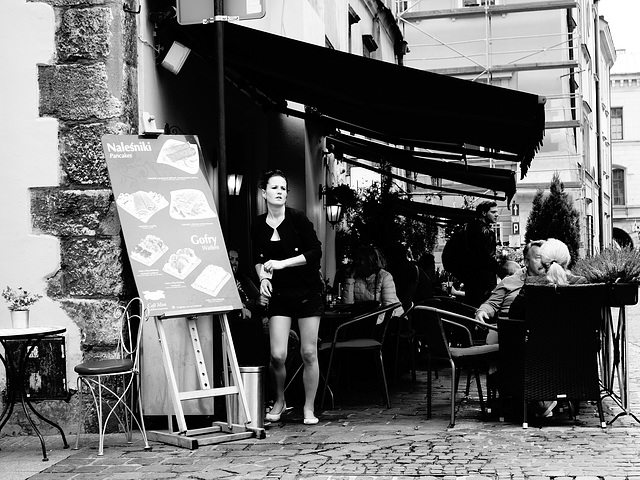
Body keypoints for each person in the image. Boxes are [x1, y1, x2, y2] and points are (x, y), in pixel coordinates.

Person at [251, 170, 324, 425]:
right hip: (280, 296)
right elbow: (258, 261)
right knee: (278, 355)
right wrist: (263, 279)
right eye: (275, 187)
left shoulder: (298, 219)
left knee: (308, 353)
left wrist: (281, 265)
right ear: (264, 193)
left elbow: (316, 252)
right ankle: (280, 401)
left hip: (307, 293)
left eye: (284, 188)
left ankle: (308, 408)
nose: (280, 191)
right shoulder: (258, 225)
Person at [507, 238, 587, 418]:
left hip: (539, 353)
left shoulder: (532, 285)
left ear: (543, 261)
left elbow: (514, 315)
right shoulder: (581, 283)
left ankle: (540, 399)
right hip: (575, 353)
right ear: (567, 259)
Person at [475, 240, 546, 326]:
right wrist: (483, 311)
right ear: (526, 262)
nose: (544, 262)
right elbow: (491, 304)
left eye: (546, 258)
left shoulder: (556, 282)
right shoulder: (509, 281)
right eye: (538, 258)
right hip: (510, 330)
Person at [341, 245, 404, 321]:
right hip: (366, 321)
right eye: (356, 259)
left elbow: (389, 309)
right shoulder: (356, 278)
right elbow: (348, 305)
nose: (357, 262)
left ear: (370, 261)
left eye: (360, 259)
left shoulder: (385, 277)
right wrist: (350, 279)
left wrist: (371, 322)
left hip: (390, 321)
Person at [459, 200, 501, 308]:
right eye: (493, 212)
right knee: (485, 311)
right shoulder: (487, 232)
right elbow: (490, 259)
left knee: (471, 312)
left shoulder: (465, 229)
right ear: (484, 213)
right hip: (485, 282)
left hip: (469, 280)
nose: (497, 215)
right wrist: (502, 271)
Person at [228, 245, 261, 320]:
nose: (234, 262)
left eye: (237, 260)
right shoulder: (222, 281)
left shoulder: (243, 278)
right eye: (231, 259)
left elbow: (257, 297)